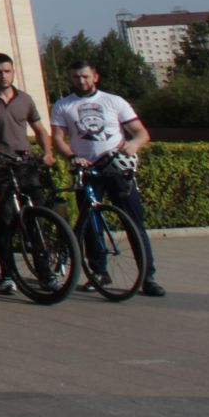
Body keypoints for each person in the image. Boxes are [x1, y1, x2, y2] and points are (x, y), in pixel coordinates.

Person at [51, 59, 164, 298]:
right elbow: (58, 138)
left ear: (95, 77)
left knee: (134, 223)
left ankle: (148, 276)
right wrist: (72, 157)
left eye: (85, 76)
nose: (81, 81)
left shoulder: (114, 101)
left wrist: (133, 145)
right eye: (76, 77)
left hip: (117, 169)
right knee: (91, 224)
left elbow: (141, 132)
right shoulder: (63, 105)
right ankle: (99, 272)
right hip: (87, 171)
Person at [0, 51, 58, 295]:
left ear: (13, 71)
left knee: (37, 220)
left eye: (7, 71)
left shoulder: (25, 99)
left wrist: (47, 152)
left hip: (25, 166)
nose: (3, 76)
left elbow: (40, 129)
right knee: (6, 221)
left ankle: (45, 273)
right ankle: (7, 274)